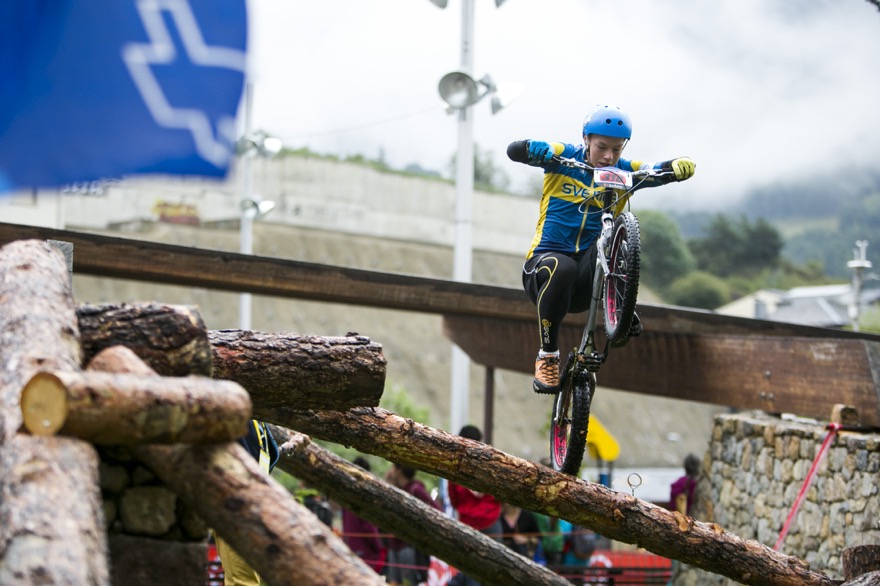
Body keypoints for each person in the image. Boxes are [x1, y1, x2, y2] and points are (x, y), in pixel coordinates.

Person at [507, 104, 696, 394]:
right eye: (602, 147)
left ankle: (620, 303)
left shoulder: (623, 171)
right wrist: (534, 148)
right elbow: (514, 151)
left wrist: (680, 166)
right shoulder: (564, 156)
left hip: (588, 280)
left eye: (616, 150)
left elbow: (656, 169)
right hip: (545, 270)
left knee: (609, 243)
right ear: (586, 139)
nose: (608, 157)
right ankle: (548, 356)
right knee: (562, 267)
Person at [215, 420, 279, 586]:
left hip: (248, 501)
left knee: (245, 578)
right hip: (237, 501)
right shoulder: (250, 417)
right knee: (243, 580)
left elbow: (269, 456)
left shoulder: (256, 420)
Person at [447, 425, 502, 586]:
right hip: (489, 522)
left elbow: (454, 501)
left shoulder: (454, 467)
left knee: (470, 570)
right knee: (492, 570)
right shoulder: (491, 464)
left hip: (471, 525)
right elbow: (500, 493)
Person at [384, 463, 441, 586]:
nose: (390, 470)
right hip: (393, 544)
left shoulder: (416, 489)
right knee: (394, 583)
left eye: (393, 467)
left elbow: (436, 511)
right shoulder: (398, 488)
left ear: (400, 470)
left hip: (408, 546)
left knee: (408, 582)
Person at [341, 457, 386, 573]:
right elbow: (369, 527)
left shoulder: (345, 496)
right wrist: (379, 548)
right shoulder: (365, 498)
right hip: (367, 554)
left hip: (351, 550)